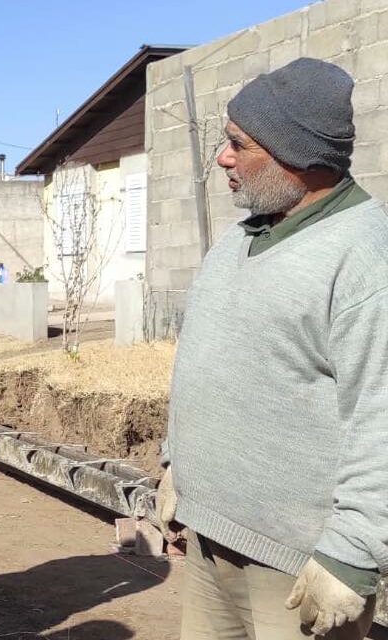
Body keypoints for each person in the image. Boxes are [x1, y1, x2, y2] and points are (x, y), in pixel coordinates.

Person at [158, 57, 386, 639]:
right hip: (209, 542)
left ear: (297, 154)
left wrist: (352, 552)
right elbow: (204, 367)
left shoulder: (364, 259)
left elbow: (379, 417)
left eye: (239, 144)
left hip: (297, 572)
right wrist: (175, 469)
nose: (222, 157)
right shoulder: (237, 241)